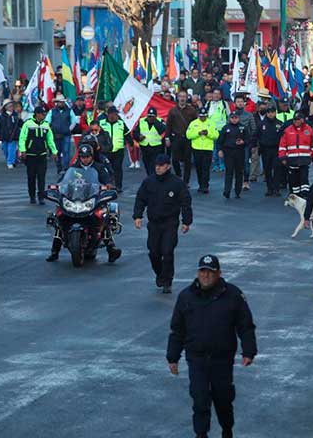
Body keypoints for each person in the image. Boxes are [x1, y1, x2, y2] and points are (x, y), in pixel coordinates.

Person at [167, 254, 257, 438]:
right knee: (200, 399)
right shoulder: (186, 296)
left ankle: (227, 430)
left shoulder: (232, 295)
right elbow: (177, 330)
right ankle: (201, 434)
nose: (206, 275)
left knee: (223, 399)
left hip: (222, 359)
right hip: (197, 358)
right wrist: (172, 357)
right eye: (202, 271)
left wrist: (248, 351)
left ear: (219, 273)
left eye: (210, 272)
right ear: (197, 272)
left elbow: (245, 325)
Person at [46, 144, 121, 263]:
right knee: (59, 216)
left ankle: (111, 248)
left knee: (105, 216)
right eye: (82, 156)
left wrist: (109, 186)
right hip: (75, 198)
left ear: (92, 156)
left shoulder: (99, 167)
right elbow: (63, 181)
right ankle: (54, 251)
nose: (85, 159)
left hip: (93, 198)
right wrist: (58, 187)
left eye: (87, 156)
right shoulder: (74, 167)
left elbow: (107, 180)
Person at [133, 154, 192, 293]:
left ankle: (167, 280)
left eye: (161, 165)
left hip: (170, 223)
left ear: (168, 166)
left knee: (167, 252)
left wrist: (186, 221)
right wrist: (138, 216)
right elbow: (140, 199)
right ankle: (160, 274)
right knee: (154, 252)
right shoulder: (149, 182)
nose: (158, 168)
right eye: (156, 166)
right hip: (154, 223)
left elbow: (185, 202)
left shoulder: (176, 183)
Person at [18, 106, 58, 204]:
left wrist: (54, 151)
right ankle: (32, 196)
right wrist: (23, 150)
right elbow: (22, 138)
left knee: (41, 177)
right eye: (42, 114)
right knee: (31, 177)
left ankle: (41, 197)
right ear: (37, 114)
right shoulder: (27, 124)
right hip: (30, 155)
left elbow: (50, 139)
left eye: (44, 114)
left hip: (42, 155)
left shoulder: (46, 125)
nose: (44, 116)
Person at [278, 113, 313, 197]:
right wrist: (282, 157)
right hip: (292, 160)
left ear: (302, 120)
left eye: (298, 119)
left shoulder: (308, 129)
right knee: (294, 180)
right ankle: (296, 196)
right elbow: (282, 145)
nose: (296, 121)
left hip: (304, 159)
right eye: (295, 119)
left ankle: (305, 196)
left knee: (304, 178)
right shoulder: (288, 130)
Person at [167, 91, 198, 185]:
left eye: (184, 96)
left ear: (187, 98)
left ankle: (186, 181)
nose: (182, 98)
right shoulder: (173, 110)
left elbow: (195, 124)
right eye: (180, 96)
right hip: (176, 137)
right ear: (177, 97)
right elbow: (169, 125)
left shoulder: (192, 110)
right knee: (175, 159)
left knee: (187, 161)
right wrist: (167, 138)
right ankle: (178, 175)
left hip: (188, 138)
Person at [217, 110, 249, 199]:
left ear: (239, 118)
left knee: (239, 172)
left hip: (240, 152)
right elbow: (220, 141)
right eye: (232, 118)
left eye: (236, 118)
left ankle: (237, 192)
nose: (234, 120)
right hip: (229, 152)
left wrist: (243, 142)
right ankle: (227, 191)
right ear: (229, 118)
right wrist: (220, 150)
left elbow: (248, 139)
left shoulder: (243, 128)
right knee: (229, 172)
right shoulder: (225, 128)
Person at [187, 107, 219, 194]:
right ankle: (200, 184)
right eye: (201, 116)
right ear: (198, 115)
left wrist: (208, 134)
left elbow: (216, 135)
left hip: (207, 148)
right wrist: (198, 133)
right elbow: (188, 135)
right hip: (196, 148)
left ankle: (205, 186)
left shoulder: (211, 123)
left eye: (204, 116)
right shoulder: (193, 123)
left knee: (206, 168)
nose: (203, 118)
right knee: (199, 168)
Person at [253, 105, 283, 196]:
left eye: (272, 112)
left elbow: (283, 137)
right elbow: (255, 136)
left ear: (275, 113)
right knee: (267, 170)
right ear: (267, 113)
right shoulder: (261, 124)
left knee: (277, 169)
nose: (271, 114)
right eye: (269, 112)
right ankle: (269, 188)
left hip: (276, 149)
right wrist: (253, 146)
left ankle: (276, 188)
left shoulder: (280, 124)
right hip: (265, 149)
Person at [45, 95, 77, 173]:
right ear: (57, 103)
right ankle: (59, 167)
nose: (61, 104)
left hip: (66, 134)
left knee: (66, 151)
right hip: (55, 134)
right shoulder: (51, 111)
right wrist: (50, 131)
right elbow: (47, 122)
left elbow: (74, 121)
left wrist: (68, 129)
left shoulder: (69, 110)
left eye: (62, 102)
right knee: (57, 152)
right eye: (59, 102)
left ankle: (65, 168)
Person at [100, 106, 128, 192]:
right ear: (109, 114)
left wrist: (130, 142)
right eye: (114, 114)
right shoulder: (101, 123)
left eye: (117, 114)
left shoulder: (121, 123)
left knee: (118, 168)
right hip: (105, 151)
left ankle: (118, 186)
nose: (116, 116)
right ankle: (108, 185)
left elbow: (127, 134)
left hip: (118, 150)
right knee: (106, 169)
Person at [133, 107, 167, 175]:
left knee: (155, 165)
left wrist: (155, 121)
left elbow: (162, 130)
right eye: (149, 116)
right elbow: (135, 132)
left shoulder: (160, 121)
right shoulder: (141, 121)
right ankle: (150, 177)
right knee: (147, 164)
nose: (150, 118)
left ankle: (154, 178)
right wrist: (139, 137)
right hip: (145, 147)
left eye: (152, 116)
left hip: (156, 147)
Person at [0, 99, 22, 169]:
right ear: (5, 107)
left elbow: (21, 124)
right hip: (4, 136)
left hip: (13, 136)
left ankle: (10, 162)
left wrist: (20, 119)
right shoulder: (1, 117)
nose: (11, 107)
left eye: (12, 106)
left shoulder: (16, 115)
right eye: (9, 106)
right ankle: (13, 159)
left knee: (11, 149)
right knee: (5, 149)